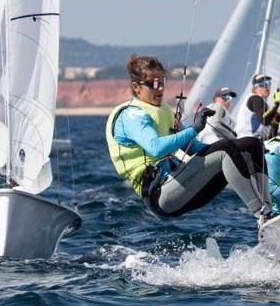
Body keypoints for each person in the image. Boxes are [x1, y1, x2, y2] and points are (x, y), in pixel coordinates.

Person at [106, 55, 271, 222]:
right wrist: (195, 128)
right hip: (160, 194)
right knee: (226, 148)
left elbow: (195, 147)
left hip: (182, 182)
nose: (160, 89)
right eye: (154, 84)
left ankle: (270, 210)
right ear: (136, 87)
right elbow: (155, 147)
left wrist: (238, 148)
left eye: (162, 82)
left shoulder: (163, 110)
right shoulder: (131, 115)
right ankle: (261, 214)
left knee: (251, 144)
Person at [245, 73, 280, 139]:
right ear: (255, 88)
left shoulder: (264, 105)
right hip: (248, 139)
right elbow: (264, 120)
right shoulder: (255, 98)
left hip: (259, 141)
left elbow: (272, 133)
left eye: (269, 83)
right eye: (263, 84)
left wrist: (277, 115)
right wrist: (277, 103)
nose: (267, 87)